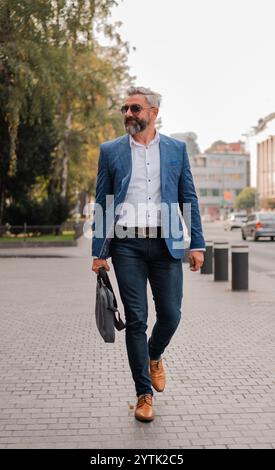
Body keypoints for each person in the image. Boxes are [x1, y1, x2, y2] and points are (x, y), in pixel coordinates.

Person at [91, 86, 205, 422]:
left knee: (170, 314)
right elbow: (103, 202)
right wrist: (99, 252)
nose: (128, 114)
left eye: (135, 109)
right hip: (126, 246)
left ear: (153, 112)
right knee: (137, 319)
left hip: (166, 244)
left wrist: (196, 244)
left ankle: (155, 356)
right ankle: (143, 394)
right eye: (125, 108)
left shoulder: (175, 150)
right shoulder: (110, 151)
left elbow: (189, 197)